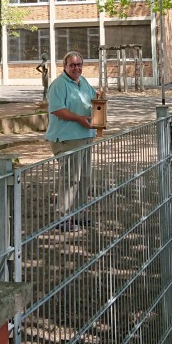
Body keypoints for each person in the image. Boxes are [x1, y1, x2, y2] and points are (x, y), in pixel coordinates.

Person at [46, 52, 101, 230]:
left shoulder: (83, 81)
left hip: (85, 135)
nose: (76, 68)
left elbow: (93, 98)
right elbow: (57, 109)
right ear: (65, 66)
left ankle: (79, 213)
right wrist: (79, 118)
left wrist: (99, 98)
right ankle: (63, 218)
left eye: (79, 64)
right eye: (73, 65)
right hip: (67, 138)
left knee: (84, 177)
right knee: (70, 178)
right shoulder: (58, 85)